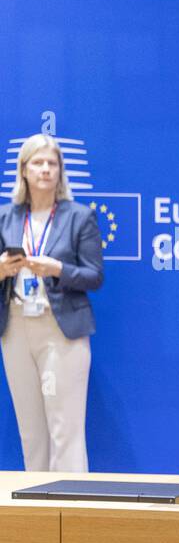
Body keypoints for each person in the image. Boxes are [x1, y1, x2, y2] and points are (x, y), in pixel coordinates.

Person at [0, 134, 103, 472]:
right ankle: (39, 518)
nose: (45, 170)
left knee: (66, 432)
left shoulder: (79, 217)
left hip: (62, 329)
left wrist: (57, 269)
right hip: (15, 327)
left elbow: (94, 276)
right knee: (31, 433)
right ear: (23, 170)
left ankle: (72, 515)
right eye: (38, 163)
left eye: (52, 163)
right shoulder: (6, 217)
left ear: (60, 171)